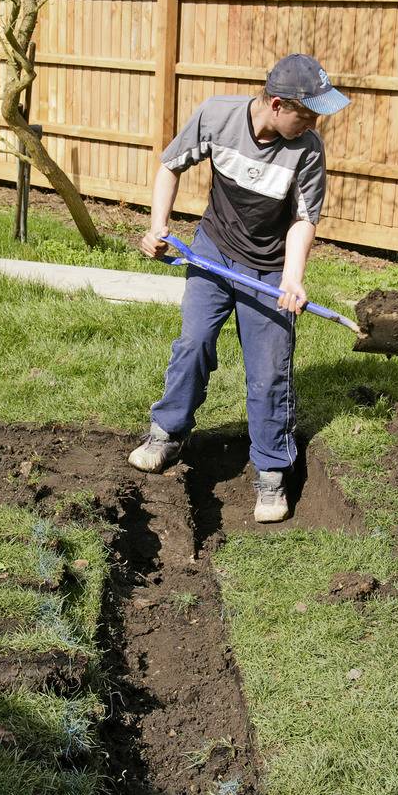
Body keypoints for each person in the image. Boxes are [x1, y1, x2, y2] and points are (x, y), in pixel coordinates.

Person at [129, 53, 350, 523]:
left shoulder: (307, 148)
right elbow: (170, 166)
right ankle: (167, 433)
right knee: (193, 343)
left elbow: (304, 218)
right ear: (276, 104)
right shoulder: (217, 116)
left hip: (269, 268)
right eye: (307, 113)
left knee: (270, 371)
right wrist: (159, 228)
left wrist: (291, 278)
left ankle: (271, 473)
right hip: (212, 251)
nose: (314, 123)